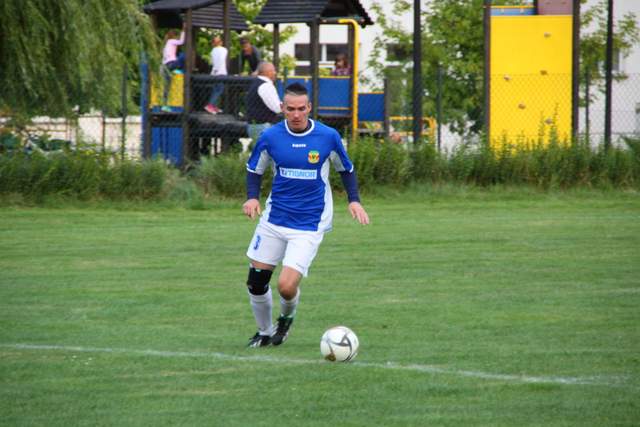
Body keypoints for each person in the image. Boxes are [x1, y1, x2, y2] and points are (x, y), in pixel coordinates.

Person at [242, 82, 370, 348]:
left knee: (286, 286)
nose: (296, 114)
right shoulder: (270, 137)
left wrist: (354, 201)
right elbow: (255, 169)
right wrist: (252, 197)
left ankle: (285, 320)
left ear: (309, 107)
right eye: (291, 109)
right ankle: (264, 332)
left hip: (309, 223)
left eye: (301, 108)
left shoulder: (328, 136)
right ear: (282, 108)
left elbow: (346, 169)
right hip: (274, 219)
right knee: (256, 281)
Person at [245, 62, 281, 143]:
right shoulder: (266, 86)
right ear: (267, 72)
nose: (275, 73)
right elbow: (277, 108)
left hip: (254, 126)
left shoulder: (255, 83)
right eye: (273, 70)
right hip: (263, 127)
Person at [161, 26, 185, 109]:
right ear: (174, 36)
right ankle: (177, 70)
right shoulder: (171, 41)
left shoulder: (165, 46)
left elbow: (163, 59)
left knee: (167, 86)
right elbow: (181, 42)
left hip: (165, 66)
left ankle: (164, 105)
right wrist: (183, 31)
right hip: (172, 64)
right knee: (183, 55)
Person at [204, 35, 228, 115]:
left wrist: (215, 71)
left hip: (214, 73)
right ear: (221, 42)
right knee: (220, 89)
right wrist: (218, 70)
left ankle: (213, 106)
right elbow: (221, 60)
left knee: (215, 90)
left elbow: (212, 62)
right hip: (221, 72)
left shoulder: (213, 51)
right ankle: (210, 105)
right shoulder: (224, 50)